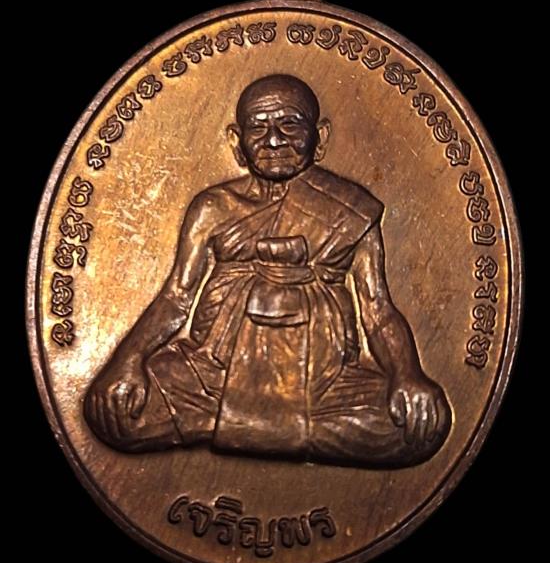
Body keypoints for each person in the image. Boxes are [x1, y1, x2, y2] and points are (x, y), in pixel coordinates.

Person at [84, 74, 451, 467]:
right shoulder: (214, 207)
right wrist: (128, 359)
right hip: (212, 376)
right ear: (236, 141)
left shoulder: (351, 208)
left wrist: (408, 375)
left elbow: (377, 310)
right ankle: (270, 428)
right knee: (115, 413)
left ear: (320, 137)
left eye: (290, 123)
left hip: (323, 384)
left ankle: (232, 427)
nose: (274, 140)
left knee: (420, 426)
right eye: (258, 127)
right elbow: (177, 297)